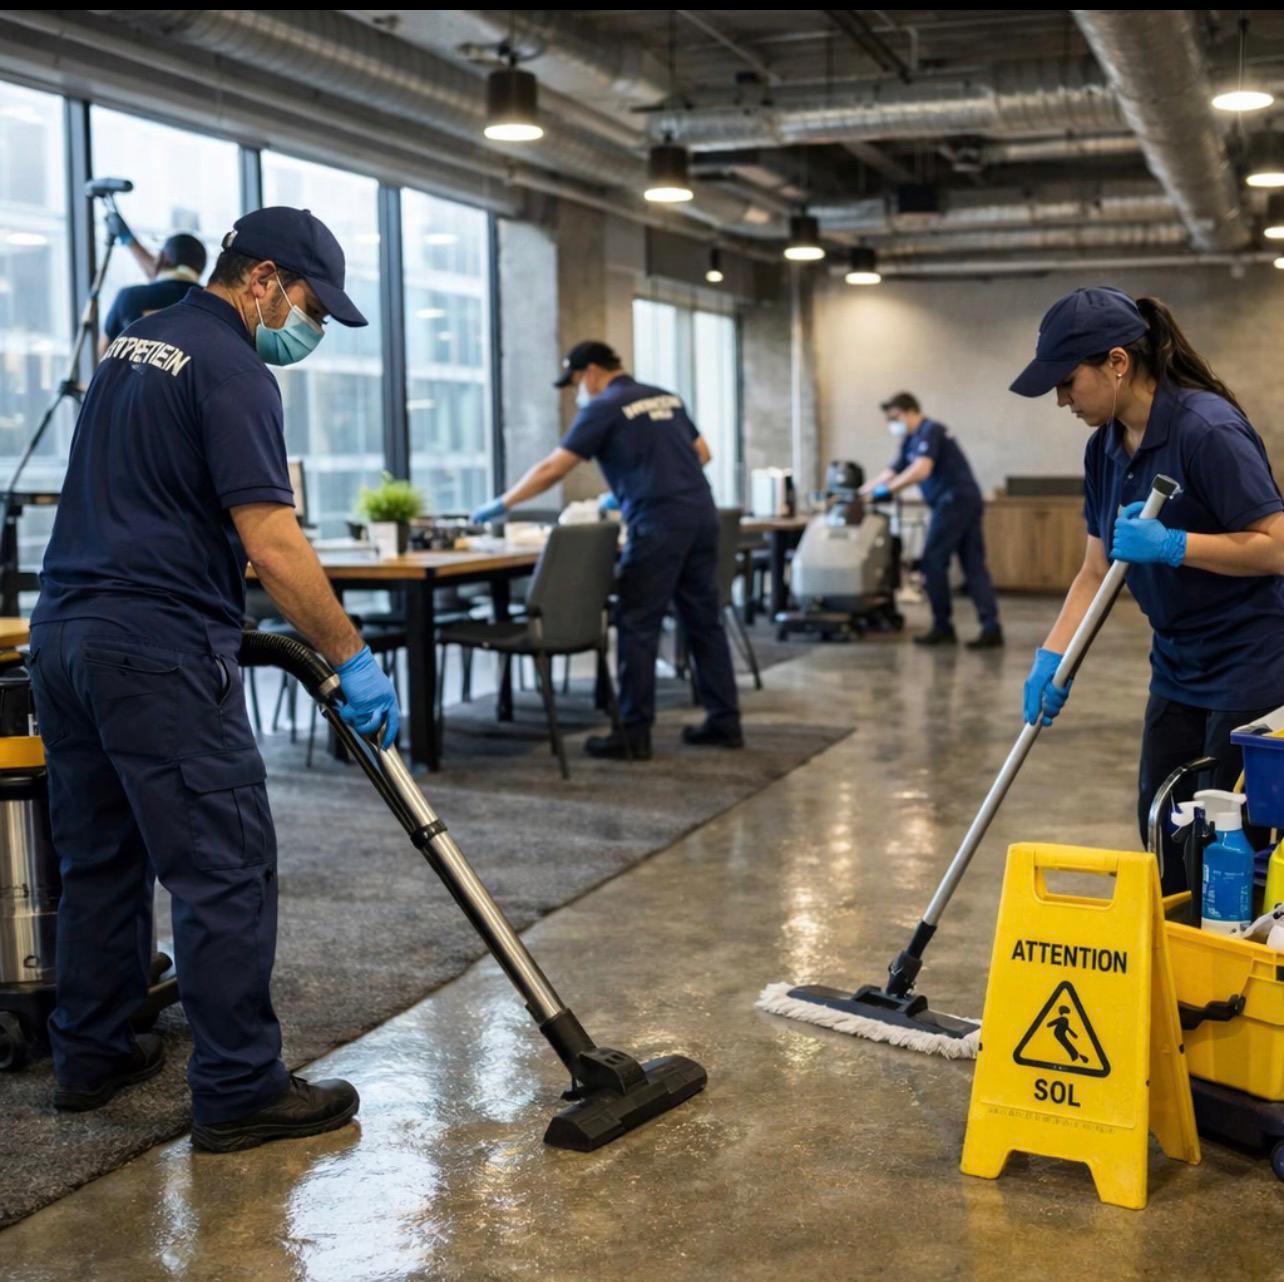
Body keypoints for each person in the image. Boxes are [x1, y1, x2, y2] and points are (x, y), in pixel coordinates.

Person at [28, 206, 400, 1151]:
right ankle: (238, 1088)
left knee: (99, 857)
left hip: (65, 636)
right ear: (265, 278)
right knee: (223, 865)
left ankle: (94, 1054)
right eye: (311, 305)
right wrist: (352, 658)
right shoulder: (234, 364)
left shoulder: (133, 343)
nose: (308, 329)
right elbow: (271, 540)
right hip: (155, 648)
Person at [1011, 286, 1284, 891]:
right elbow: (1094, 571)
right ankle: (1180, 969)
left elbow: (1278, 546)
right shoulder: (1103, 450)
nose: (1060, 399)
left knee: (1231, 841)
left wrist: (1175, 546)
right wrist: (1053, 659)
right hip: (1177, 662)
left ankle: (1233, 976)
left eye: (1066, 382)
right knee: (1163, 826)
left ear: (1116, 362)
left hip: (1252, 663)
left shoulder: (1206, 429)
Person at [470, 340, 743, 760]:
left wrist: (502, 504)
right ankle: (725, 723)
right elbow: (702, 454)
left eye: (577, 380)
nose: (578, 389)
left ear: (593, 372)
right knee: (704, 621)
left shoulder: (603, 407)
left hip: (658, 521)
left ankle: (632, 734)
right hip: (701, 514)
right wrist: (650, 481)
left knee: (637, 622)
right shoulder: (665, 396)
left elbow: (552, 469)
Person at [860, 392, 1002, 648]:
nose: (893, 423)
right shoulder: (910, 440)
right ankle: (991, 626)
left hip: (955, 501)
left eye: (895, 417)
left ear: (910, 411)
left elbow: (921, 469)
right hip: (962, 501)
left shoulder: (931, 430)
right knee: (973, 564)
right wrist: (862, 492)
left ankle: (942, 626)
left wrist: (886, 491)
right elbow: (891, 471)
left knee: (933, 562)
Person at [100, 212, 208, 349]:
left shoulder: (130, 297)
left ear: (163, 258)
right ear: (201, 268)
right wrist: (129, 241)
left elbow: (105, 349)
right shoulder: (209, 302)